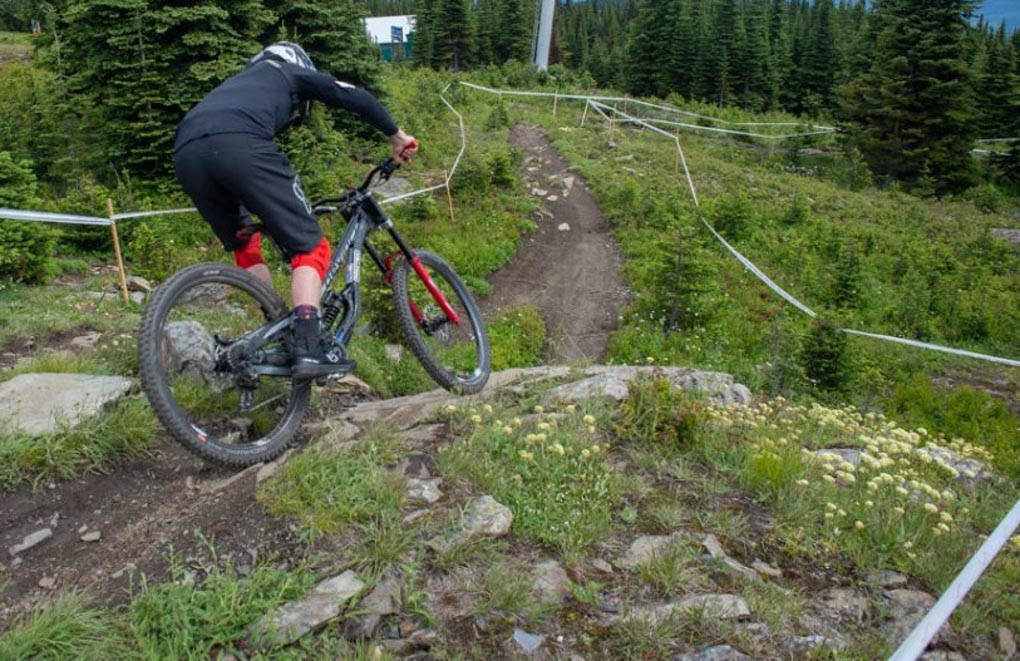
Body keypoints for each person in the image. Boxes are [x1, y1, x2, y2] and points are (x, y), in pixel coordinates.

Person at [173, 42, 418, 379]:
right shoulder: (288, 72)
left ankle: (276, 326)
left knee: (245, 244)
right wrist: (397, 136)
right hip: (240, 143)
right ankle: (309, 347)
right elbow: (353, 96)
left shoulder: (240, 83)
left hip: (186, 152)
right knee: (311, 247)